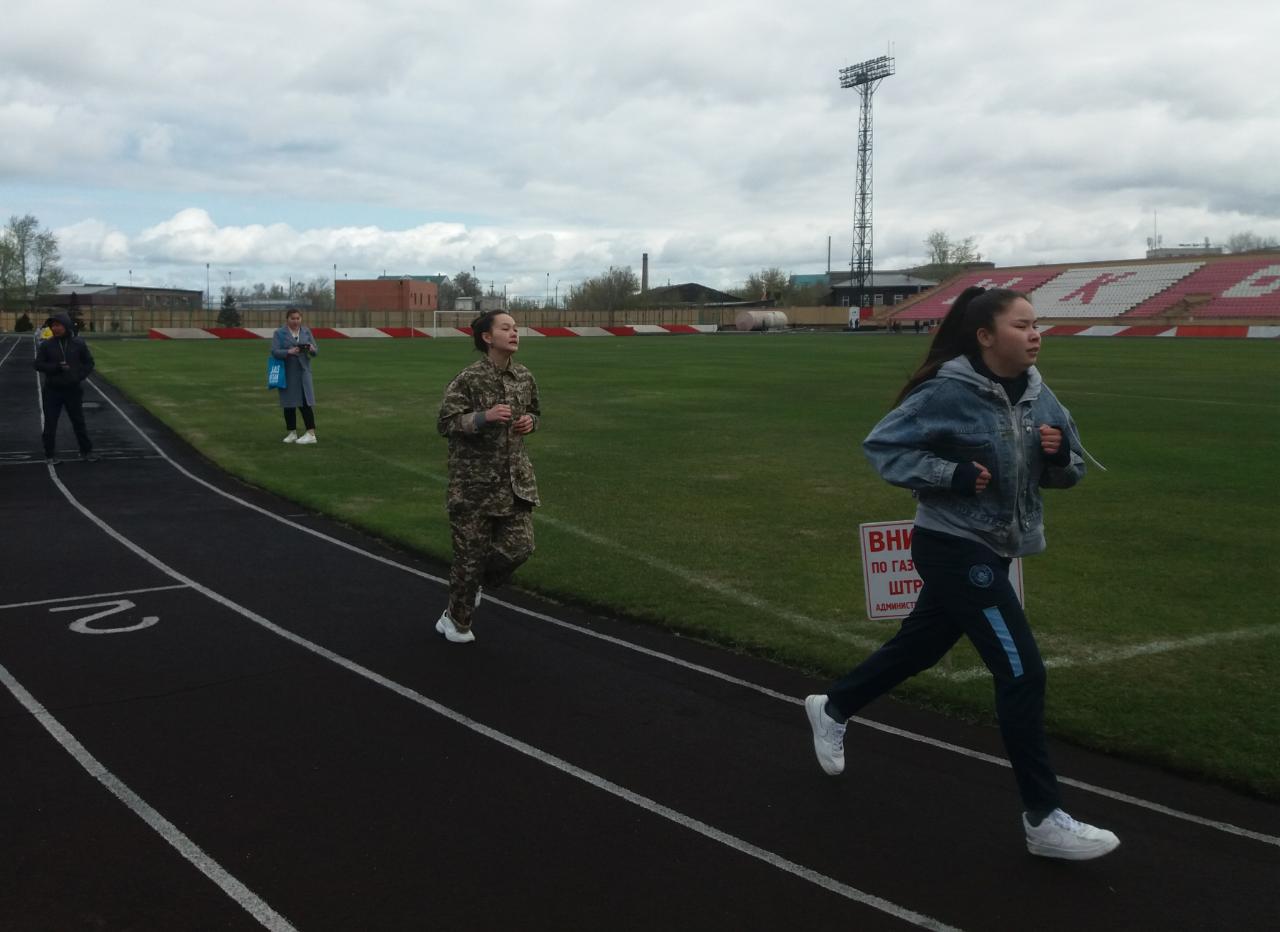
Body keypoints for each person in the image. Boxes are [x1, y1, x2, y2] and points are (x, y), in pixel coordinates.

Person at [804, 286, 1120, 861]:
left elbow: (1071, 471)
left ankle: (834, 705)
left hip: (1000, 548)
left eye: (1036, 324)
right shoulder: (947, 391)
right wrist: (949, 473)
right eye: (1022, 325)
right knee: (1022, 672)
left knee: (918, 649)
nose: (1034, 334)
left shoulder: (1042, 397)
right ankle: (1044, 818)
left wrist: (1056, 458)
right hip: (952, 546)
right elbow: (882, 448)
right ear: (984, 336)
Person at [434, 310, 540, 643]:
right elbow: (446, 423)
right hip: (473, 488)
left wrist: (530, 423)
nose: (514, 333)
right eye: (505, 328)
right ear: (487, 337)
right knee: (468, 560)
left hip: (513, 484)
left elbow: (535, 410)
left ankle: (474, 583)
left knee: (521, 547)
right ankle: (454, 620)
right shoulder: (469, 379)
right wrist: (483, 417)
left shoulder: (523, 376)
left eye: (515, 328)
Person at [34, 312, 98, 465]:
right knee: (50, 424)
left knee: (78, 422)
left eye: (58, 325)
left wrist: (78, 376)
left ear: (66, 325)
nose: (55, 328)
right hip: (52, 390)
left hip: (73, 389)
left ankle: (86, 452)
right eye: (53, 325)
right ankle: (50, 455)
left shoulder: (78, 343)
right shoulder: (47, 345)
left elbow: (89, 363)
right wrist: (56, 368)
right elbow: (38, 364)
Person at [270, 307, 319, 444]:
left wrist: (311, 348)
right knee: (288, 404)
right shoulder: (279, 333)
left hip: (304, 373)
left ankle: (311, 433)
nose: (296, 321)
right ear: (287, 319)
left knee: (305, 402)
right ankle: (292, 433)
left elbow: (316, 351)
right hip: (287, 373)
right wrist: (289, 351)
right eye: (293, 318)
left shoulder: (306, 331)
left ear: (301, 319)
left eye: (298, 318)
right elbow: (274, 351)